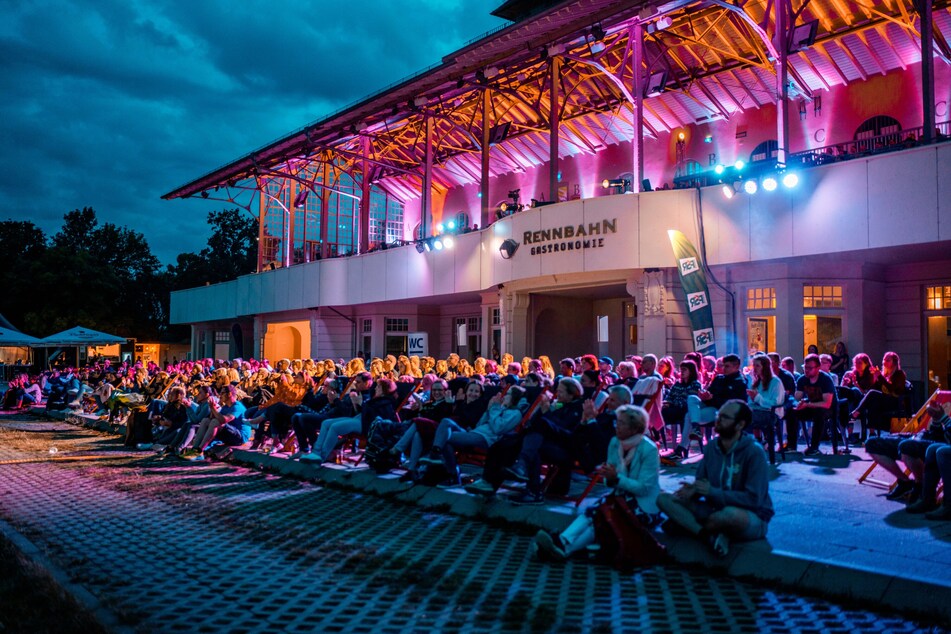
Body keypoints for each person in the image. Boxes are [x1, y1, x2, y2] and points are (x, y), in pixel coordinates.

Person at [533, 405, 660, 560]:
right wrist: (610, 477)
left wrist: (616, 478)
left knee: (600, 514)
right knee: (594, 511)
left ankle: (562, 546)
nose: (617, 426)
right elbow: (608, 482)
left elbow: (644, 489)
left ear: (634, 428)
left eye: (621, 423)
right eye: (617, 422)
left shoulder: (648, 450)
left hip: (643, 505)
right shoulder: (615, 443)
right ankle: (562, 544)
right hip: (620, 497)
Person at [656, 400, 773, 556]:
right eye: (719, 415)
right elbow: (702, 481)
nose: (718, 419)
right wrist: (693, 490)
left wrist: (712, 492)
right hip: (713, 509)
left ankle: (687, 524)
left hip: (749, 516)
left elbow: (754, 499)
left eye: (725, 417)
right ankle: (705, 534)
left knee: (729, 514)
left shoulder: (754, 452)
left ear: (739, 425)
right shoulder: (712, 447)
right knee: (663, 498)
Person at [180, 385, 248, 460]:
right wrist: (212, 409)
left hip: (240, 437)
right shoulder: (225, 407)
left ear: (229, 394)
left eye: (222, 393)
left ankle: (200, 451)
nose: (220, 395)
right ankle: (195, 449)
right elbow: (212, 420)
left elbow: (223, 420)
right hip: (229, 433)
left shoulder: (237, 406)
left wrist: (213, 408)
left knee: (215, 422)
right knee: (205, 420)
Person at [786, 354, 836, 455]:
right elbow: (797, 398)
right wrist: (797, 404)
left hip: (829, 409)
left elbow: (826, 404)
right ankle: (791, 446)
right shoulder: (802, 379)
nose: (806, 370)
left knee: (819, 413)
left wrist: (807, 404)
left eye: (810, 368)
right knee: (791, 412)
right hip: (811, 406)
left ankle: (814, 447)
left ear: (818, 368)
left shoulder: (825, 379)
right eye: (805, 367)